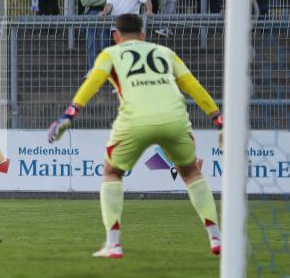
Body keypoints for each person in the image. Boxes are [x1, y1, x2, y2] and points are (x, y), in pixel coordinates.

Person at [47, 13, 224, 259]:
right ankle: (216, 238)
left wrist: (69, 114)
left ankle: (113, 244)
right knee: (191, 172)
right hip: (174, 118)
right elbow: (191, 84)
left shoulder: (110, 53)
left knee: (112, 172)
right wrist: (217, 118)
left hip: (135, 119)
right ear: (143, 35)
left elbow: (93, 82)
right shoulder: (165, 52)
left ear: (116, 36)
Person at [80, 0, 110, 70]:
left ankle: (105, 70)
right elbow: (84, 1)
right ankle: (91, 69)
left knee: (104, 42)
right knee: (90, 43)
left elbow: (109, 0)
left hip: (104, 14)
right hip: (90, 15)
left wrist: (92, 0)